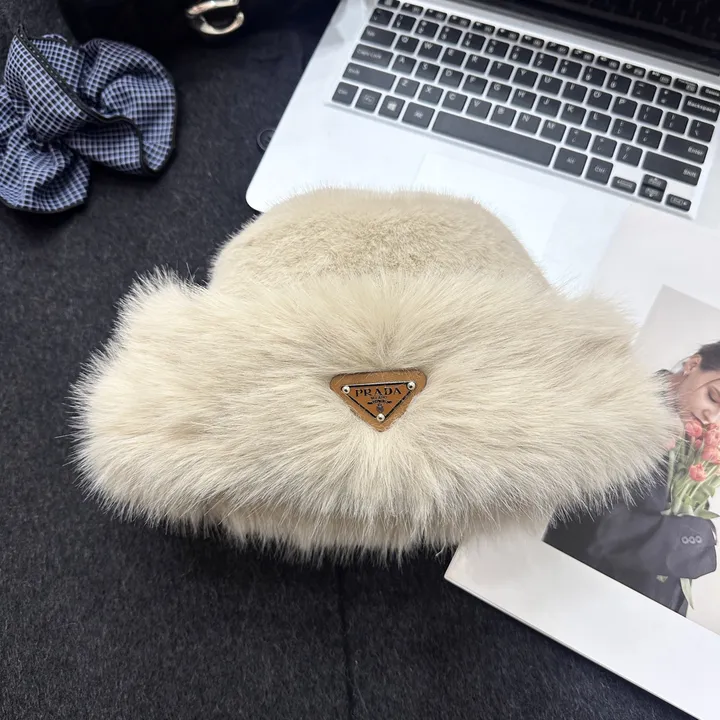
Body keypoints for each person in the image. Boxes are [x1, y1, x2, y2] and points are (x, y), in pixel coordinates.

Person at [545, 341, 720, 616]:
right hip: (579, 604)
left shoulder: (692, 433)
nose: (713, 417)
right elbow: (600, 528)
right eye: (714, 397)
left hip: (645, 618)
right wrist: (696, 540)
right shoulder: (625, 405)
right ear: (692, 365)